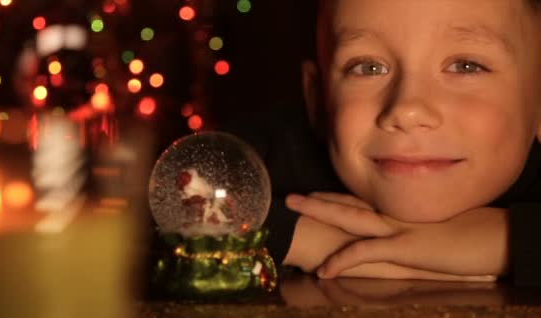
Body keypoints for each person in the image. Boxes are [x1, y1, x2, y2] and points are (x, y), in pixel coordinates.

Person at [222, 0, 541, 286]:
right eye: (368, 67)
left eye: (466, 66)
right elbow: (180, 194)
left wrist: (509, 240)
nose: (407, 108)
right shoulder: (275, 155)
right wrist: (318, 242)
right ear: (318, 101)